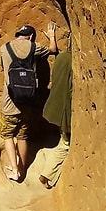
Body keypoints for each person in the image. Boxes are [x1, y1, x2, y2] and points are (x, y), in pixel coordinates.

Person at [0, 22, 57, 181]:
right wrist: (52, 36)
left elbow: (2, 69)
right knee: (22, 136)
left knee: (7, 135)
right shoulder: (34, 47)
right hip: (28, 102)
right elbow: (53, 50)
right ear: (30, 36)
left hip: (9, 102)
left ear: (17, 34)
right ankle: (22, 168)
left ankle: (15, 170)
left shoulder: (4, 48)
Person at [39, 32, 72, 189]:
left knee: (63, 140)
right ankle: (47, 174)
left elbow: (57, 55)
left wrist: (52, 37)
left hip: (57, 110)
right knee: (65, 145)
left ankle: (46, 173)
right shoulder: (75, 62)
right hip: (67, 113)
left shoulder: (62, 58)